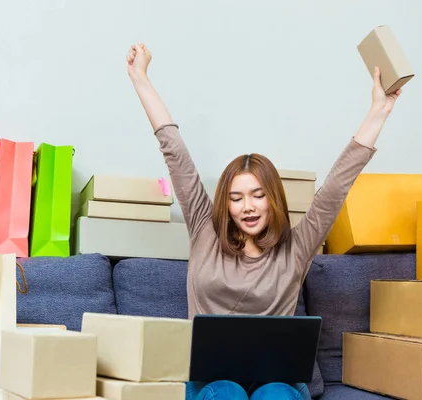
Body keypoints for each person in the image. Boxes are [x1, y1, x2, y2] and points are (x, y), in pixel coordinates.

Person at [126, 43, 402, 400]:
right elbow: (175, 153)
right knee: (227, 393)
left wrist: (378, 112)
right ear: (225, 204)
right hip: (212, 380)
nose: (248, 207)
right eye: (236, 198)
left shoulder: (297, 247)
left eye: (258, 195)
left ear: (273, 199)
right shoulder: (204, 230)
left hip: (279, 380)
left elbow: (336, 186)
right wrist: (140, 79)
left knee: (274, 395)